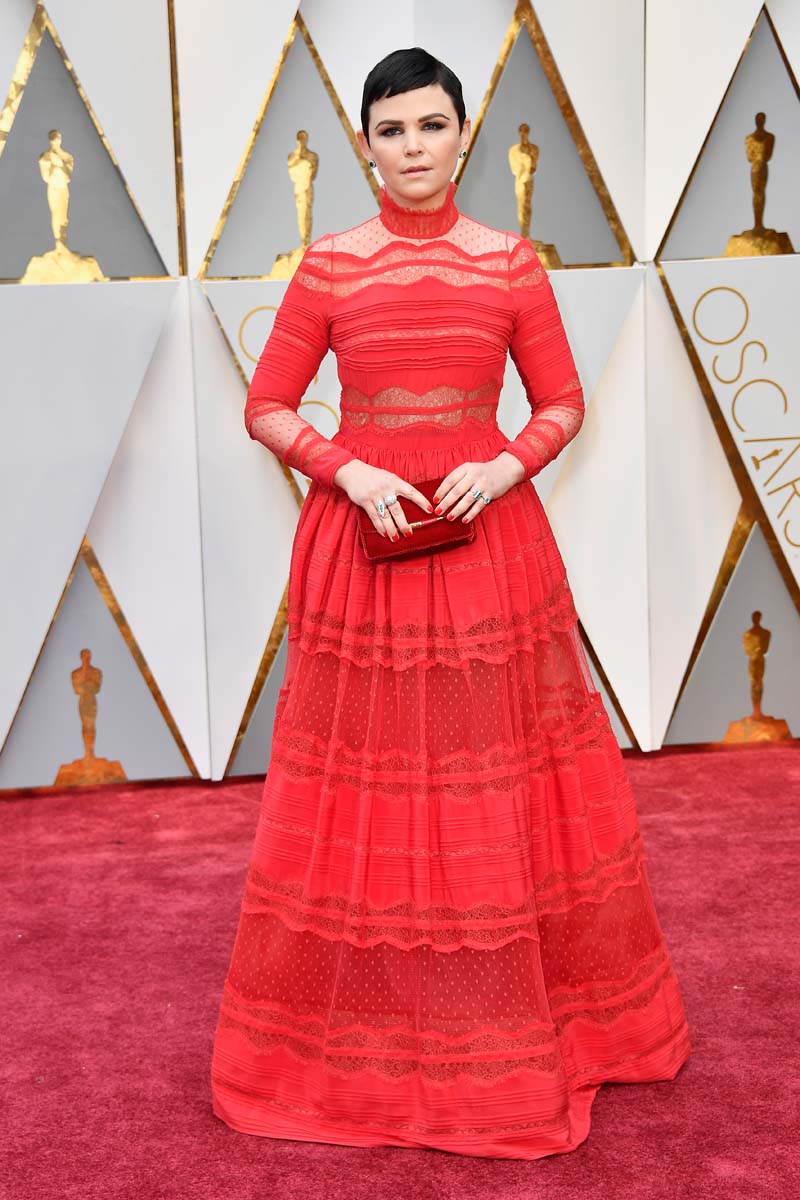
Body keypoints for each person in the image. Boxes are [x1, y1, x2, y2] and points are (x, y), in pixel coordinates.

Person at [210, 46, 691, 1161]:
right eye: (392, 130)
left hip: (488, 543)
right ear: (364, 144)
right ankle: (371, 1032)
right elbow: (268, 405)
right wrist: (348, 469)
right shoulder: (330, 265)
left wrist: (506, 462)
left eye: (431, 126)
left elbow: (562, 401)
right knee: (366, 775)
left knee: (494, 769)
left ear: (463, 135)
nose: (413, 147)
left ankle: (517, 1019)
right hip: (363, 542)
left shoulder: (510, 263)